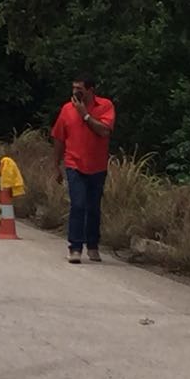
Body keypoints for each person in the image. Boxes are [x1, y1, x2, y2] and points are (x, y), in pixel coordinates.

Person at [50, 72, 115, 264]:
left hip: (97, 166)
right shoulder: (66, 109)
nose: (75, 92)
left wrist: (85, 115)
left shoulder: (105, 106)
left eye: (80, 89)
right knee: (78, 204)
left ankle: (93, 245)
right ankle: (75, 247)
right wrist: (56, 165)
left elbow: (104, 130)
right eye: (73, 88)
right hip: (74, 164)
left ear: (90, 90)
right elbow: (59, 138)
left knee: (93, 207)